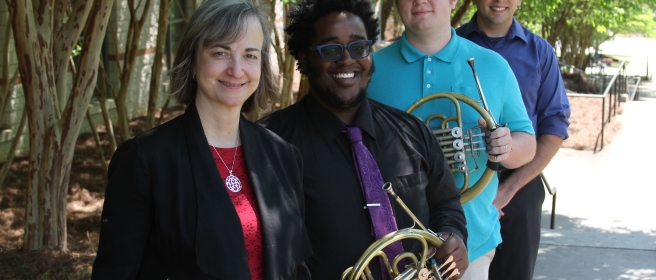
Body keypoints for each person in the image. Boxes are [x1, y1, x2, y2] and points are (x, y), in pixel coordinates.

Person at [91, 0, 311, 279]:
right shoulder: (144, 160)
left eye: (250, 55)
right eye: (221, 52)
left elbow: (296, 269)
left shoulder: (283, 156)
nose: (236, 69)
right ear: (193, 60)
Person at [258, 0, 469, 279]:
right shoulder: (269, 144)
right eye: (331, 49)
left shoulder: (411, 132)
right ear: (304, 58)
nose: (347, 60)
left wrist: (452, 235)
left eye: (359, 47)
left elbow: (446, 204)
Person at [367, 0, 537, 279]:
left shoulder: (493, 66)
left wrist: (506, 147)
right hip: (392, 242)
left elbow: (527, 143)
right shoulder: (371, 70)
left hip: (472, 240)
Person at [456, 1, 571, 279]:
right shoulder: (451, 44)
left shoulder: (540, 52)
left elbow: (554, 127)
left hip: (520, 184)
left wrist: (507, 191)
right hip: (460, 186)